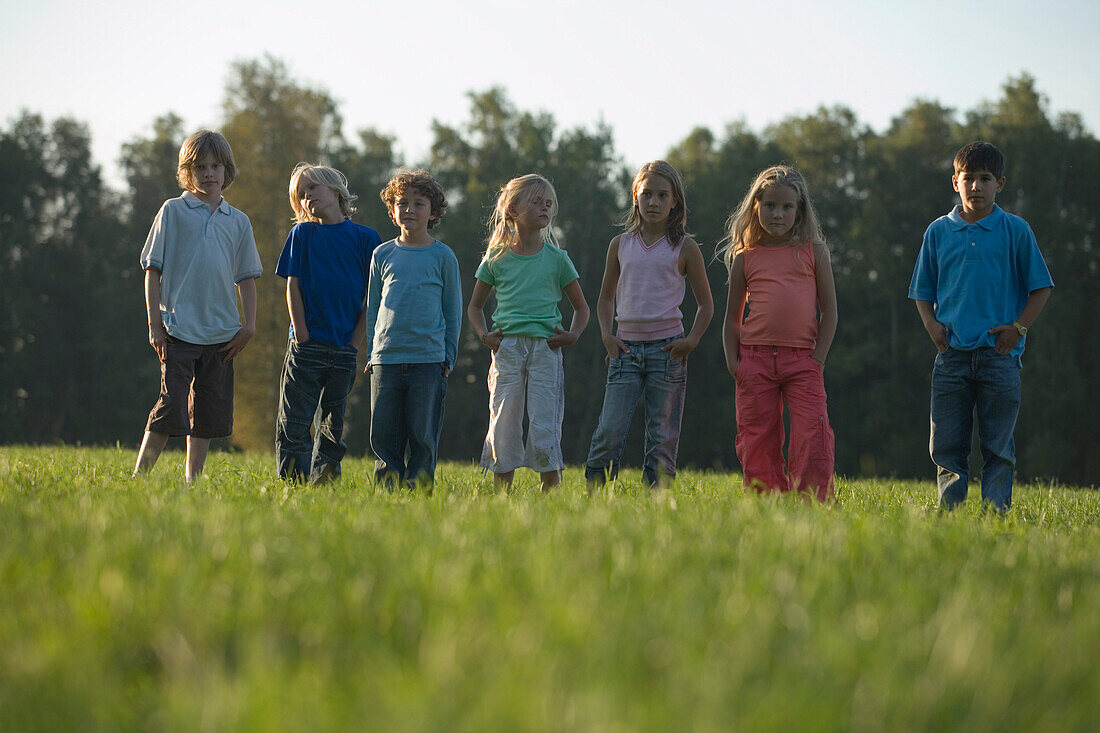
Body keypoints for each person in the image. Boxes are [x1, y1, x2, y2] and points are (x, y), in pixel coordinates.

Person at [909, 141, 1053, 511]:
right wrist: (931, 326)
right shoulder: (938, 232)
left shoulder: (1016, 231)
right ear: (954, 181)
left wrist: (1018, 329)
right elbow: (922, 290)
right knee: (946, 446)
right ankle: (949, 514)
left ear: (1000, 183)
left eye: (985, 178)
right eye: (968, 178)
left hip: (999, 357)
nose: (976, 186)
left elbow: (1040, 288)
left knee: (998, 447)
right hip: (951, 355)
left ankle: (995, 515)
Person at [134, 130, 262, 482]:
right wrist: (154, 325)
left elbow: (247, 278)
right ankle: (140, 476)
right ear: (187, 171)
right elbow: (152, 271)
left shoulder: (238, 221)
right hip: (178, 328)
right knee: (171, 403)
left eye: (215, 165)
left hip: (222, 333)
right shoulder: (173, 211)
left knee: (207, 412)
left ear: (226, 171)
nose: (209, 173)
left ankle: (194, 481)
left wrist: (248, 326)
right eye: (200, 166)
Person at [585, 161, 713, 489]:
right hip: (624, 350)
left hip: (668, 351)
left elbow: (705, 305)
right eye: (647, 194)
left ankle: (658, 502)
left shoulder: (685, 247)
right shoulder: (621, 245)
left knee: (663, 434)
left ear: (675, 202)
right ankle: (596, 495)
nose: (654, 202)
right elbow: (604, 299)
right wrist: (606, 336)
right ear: (635, 197)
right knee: (609, 430)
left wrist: (692, 341)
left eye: (662, 195)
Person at [719, 165, 838, 501]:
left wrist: (818, 359)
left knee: (812, 432)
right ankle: (765, 499)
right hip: (754, 361)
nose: (778, 214)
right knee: (758, 436)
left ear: (799, 211)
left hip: (803, 362)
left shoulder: (815, 252)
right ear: (755, 207)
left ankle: (812, 500)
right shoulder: (746, 257)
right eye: (770, 205)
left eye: (787, 207)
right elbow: (732, 319)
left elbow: (829, 311)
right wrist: (734, 363)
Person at [467, 174, 590, 491]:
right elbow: (475, 307)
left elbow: (582, 308)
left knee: (544, 420)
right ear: (511, 210)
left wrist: (573, 334)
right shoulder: (496, 259)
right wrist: (484, 334)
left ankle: (551, 489)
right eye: (536, 202)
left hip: (545, 349)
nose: (544, 208)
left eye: (548, 203)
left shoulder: (558, 259)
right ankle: (500, 492)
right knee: (504, 418)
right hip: (507, 349)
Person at [274, 163, 381, 482]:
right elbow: (292, 285)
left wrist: (355, 341)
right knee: (294, 421)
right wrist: (301, 334)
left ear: (336, 190)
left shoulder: (365, 238)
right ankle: (293, 484)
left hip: (344, 350)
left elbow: (371, 295)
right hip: (306, 348)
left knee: (333, 423)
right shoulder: (302, 234)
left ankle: (325, 480)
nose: (307, 196)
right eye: (301, 194)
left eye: (313, 188)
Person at [365, 169, 462, 488]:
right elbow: (373, 308)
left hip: (428, 362)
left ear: (433, 212)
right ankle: (387, 492)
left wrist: (448, 357)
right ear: (392, 211)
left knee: (423, 436)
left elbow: (453, 311)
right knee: (384, 435)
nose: (409, 209)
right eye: (402, 203)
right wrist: (370, 352)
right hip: (385, 361)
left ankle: (418, 494)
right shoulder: (382, 255)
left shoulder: (443, 256)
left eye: (418, 203)